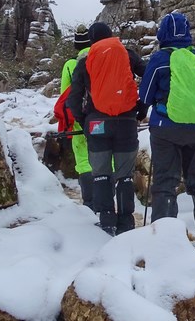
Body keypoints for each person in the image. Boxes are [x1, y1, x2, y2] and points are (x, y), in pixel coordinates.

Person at [138, 11, 195, 254]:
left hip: (166, 130)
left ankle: (165, 243)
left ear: (162, 34)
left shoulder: (160, 59)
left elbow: (145, 96)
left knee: (165, 183)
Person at [67, 22, 147, 236]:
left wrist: (84, 121)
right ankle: (127, 223)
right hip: (127, 122)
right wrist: (141, 107)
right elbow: (147, 76)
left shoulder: (85, 61)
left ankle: (107, 222)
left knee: (101, 174)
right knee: (125, 175)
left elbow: (73, 99)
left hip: (97, 123)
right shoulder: (127, 54)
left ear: (91, 40)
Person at [59, 24, 94, 210]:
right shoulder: (101, 58)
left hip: (80, 120)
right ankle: (107, 202)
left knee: (84, 161)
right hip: (105, 117)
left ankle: (89, 204)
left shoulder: (70, 65)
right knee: (107, 160)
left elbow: (65, 95)